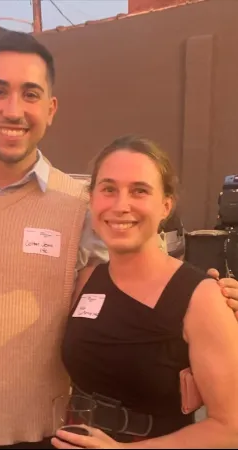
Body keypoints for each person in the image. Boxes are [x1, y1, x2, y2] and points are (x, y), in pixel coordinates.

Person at [0, 32, 238, 449]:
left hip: (49, 435)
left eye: (30, 94)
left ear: (50, 110)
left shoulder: (78, 204)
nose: (14, 109)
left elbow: (140, 274)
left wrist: (211, 297)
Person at [53, 136, 238, 449]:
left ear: (166, 205)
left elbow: (229, 428)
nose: (121, 205)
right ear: (92, 199)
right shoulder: (86, 280)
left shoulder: (201, 297)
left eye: (139, 190)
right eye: (109, 189)